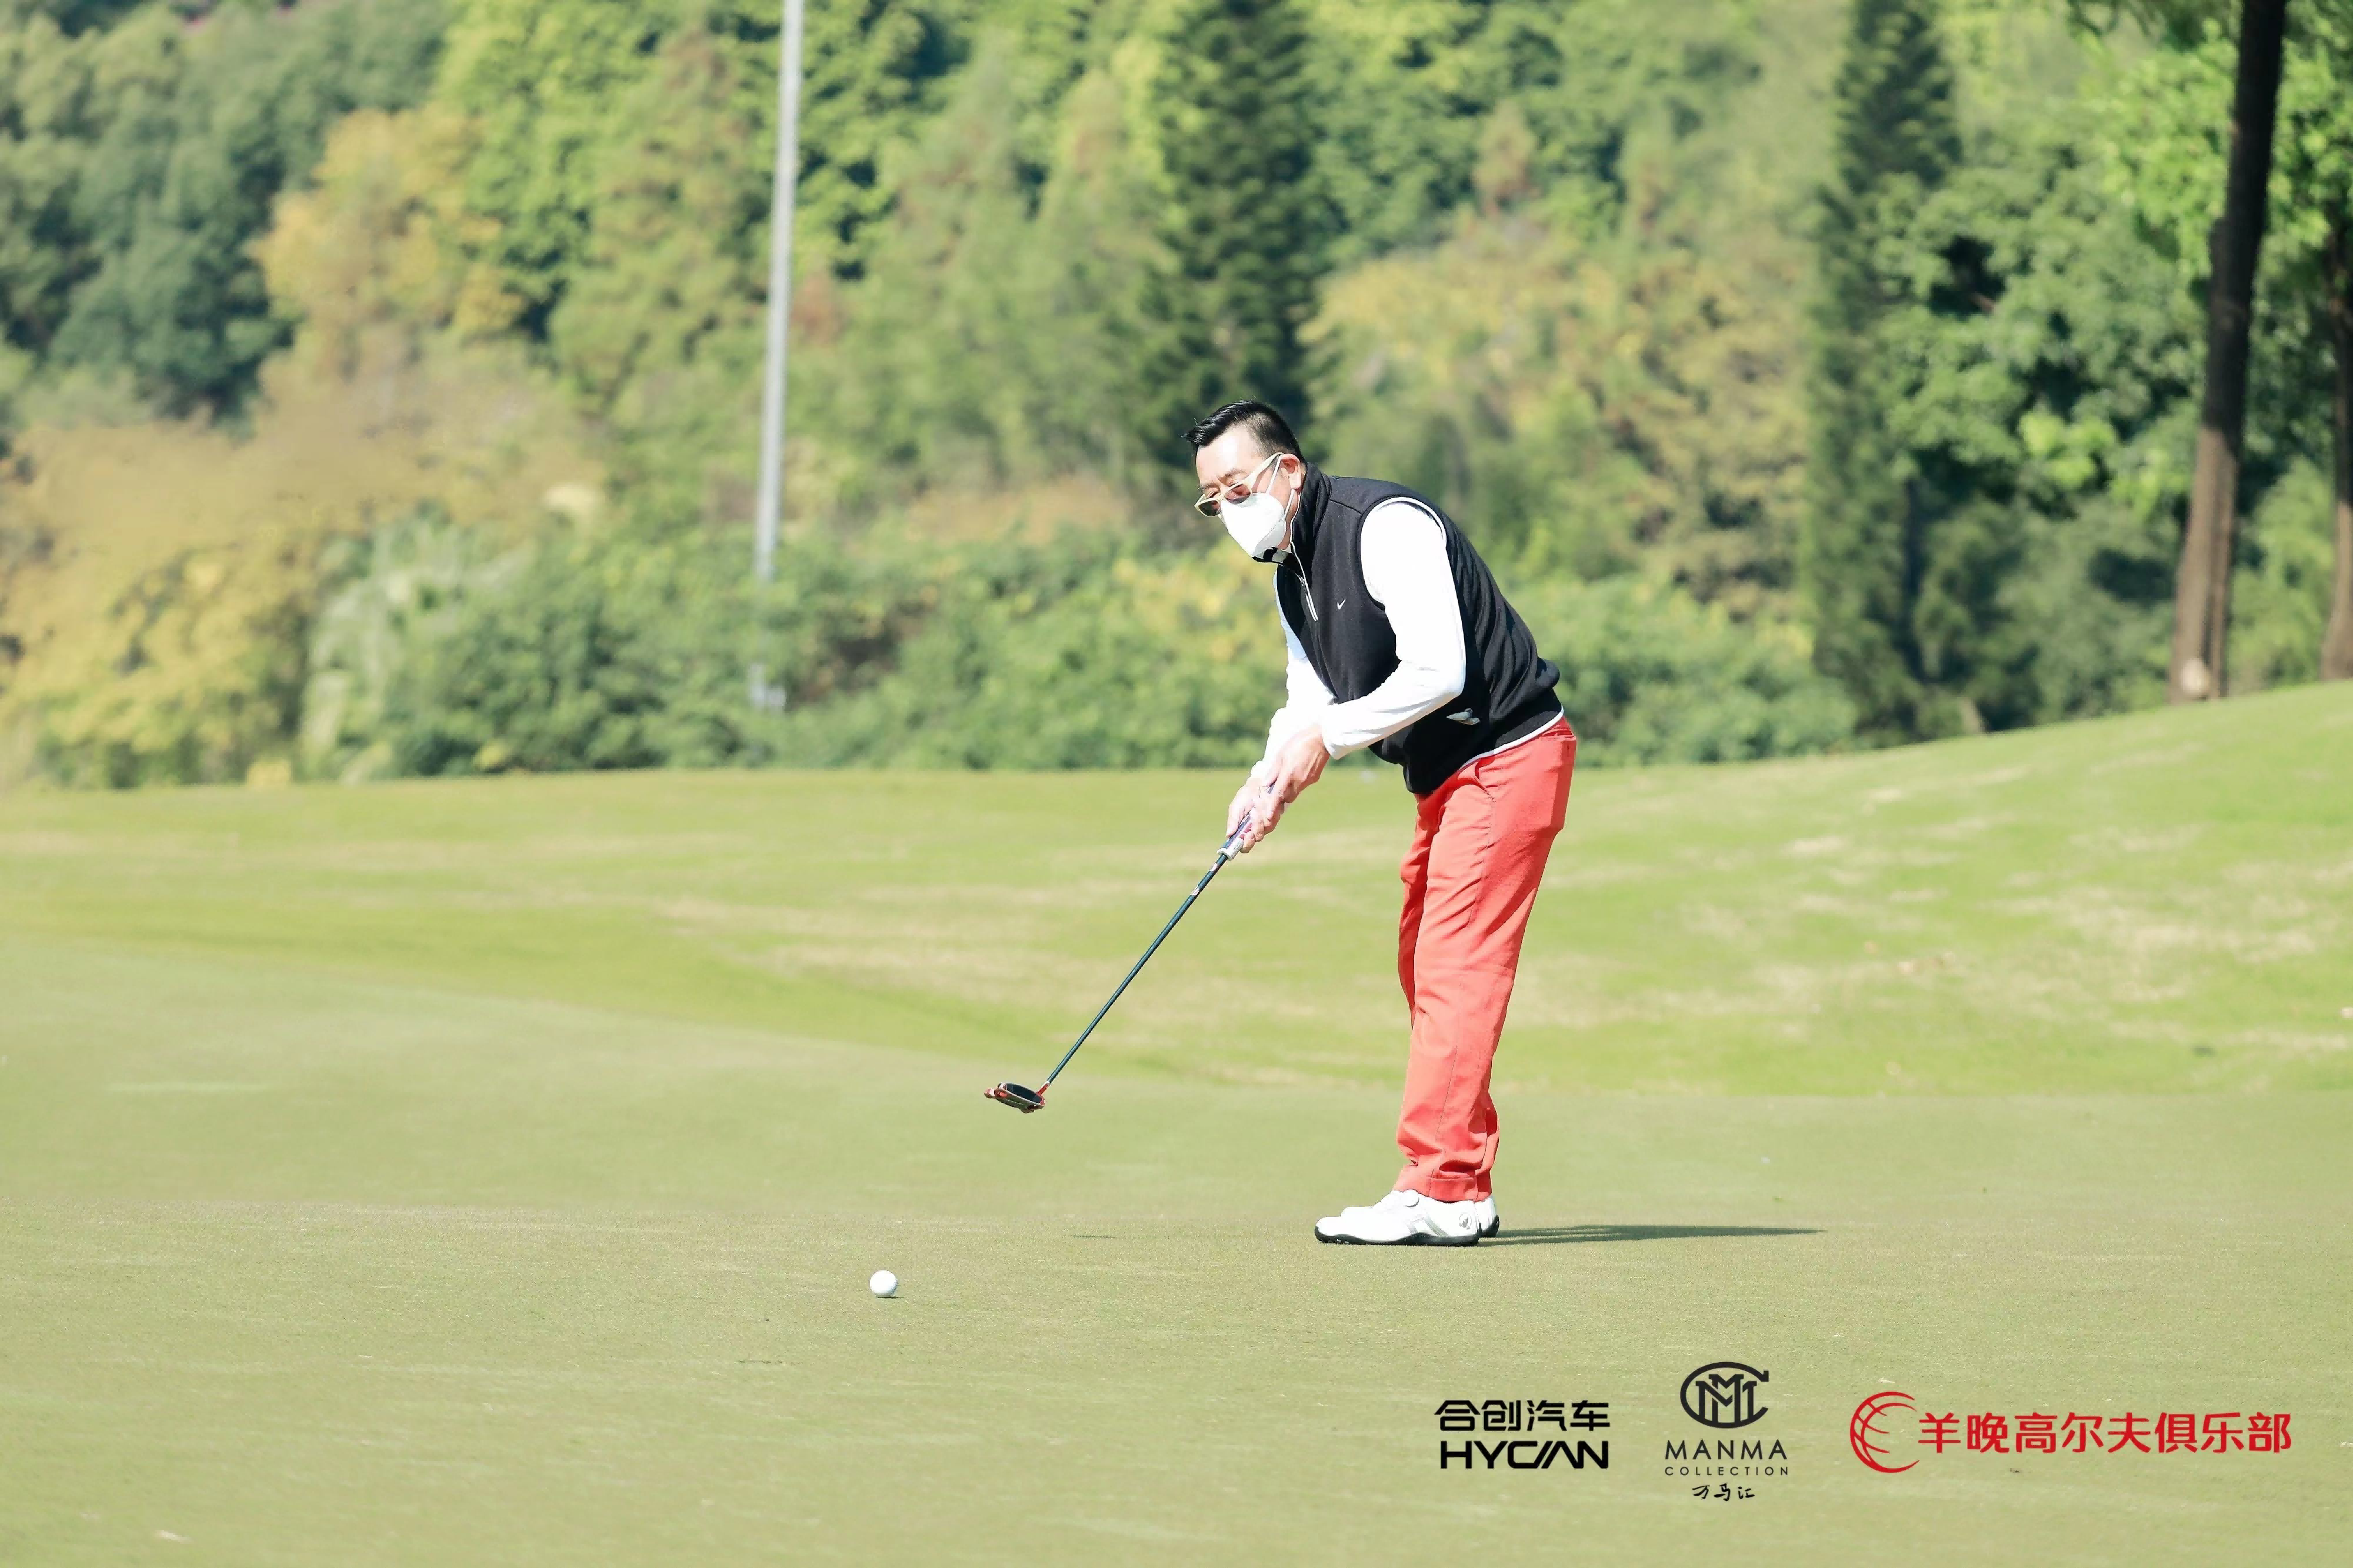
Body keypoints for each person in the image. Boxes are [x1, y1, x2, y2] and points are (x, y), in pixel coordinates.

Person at [1189, 399, 1575, 1247]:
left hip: (1507, 753)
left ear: (1289, 470)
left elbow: (1440, 670)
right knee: (1422, 961)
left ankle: (1440, 1186)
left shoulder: (1385, 526)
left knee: (1454, 964)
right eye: (1213, 500)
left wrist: (1325, 742)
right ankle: (1464, 1182)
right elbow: (1309, 696)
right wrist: (1265, 781)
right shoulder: (1291, 572)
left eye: (1237, 487)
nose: (1228, 508)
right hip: (1448, 779)